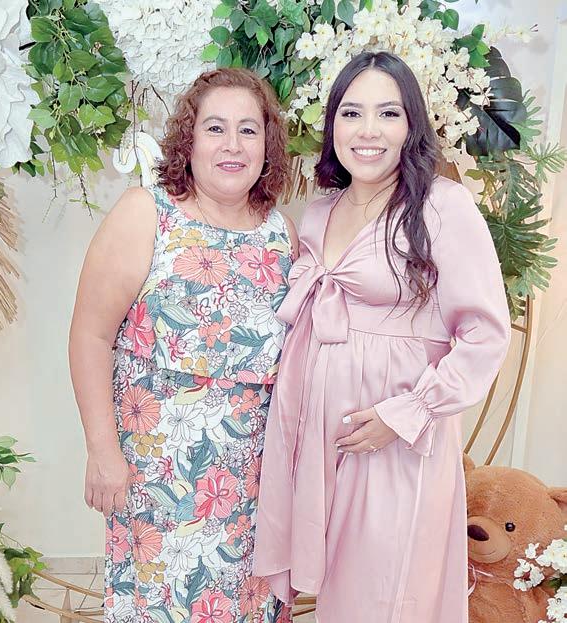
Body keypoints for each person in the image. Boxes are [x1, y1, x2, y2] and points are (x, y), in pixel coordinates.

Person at [253, 51, 511, 623]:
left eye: (388, 113)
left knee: (387, 596)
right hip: (323, 435)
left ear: (411, 125)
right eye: (352, 113)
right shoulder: (320, 210)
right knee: (339, 597)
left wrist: (408, 412)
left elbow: (486, 332)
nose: (368, 130)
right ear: (332, 125)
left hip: (394, 435)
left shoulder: (441, 206)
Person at [69, 68, 298, 623]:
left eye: (248, 130)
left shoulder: (282, 234)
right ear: (188, 140)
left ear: (267, 146)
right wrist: (103, 452)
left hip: (252, 485)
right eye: (215, 127)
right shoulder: (145, 212)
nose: (232, 144)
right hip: (158, 480)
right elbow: (90, 336)